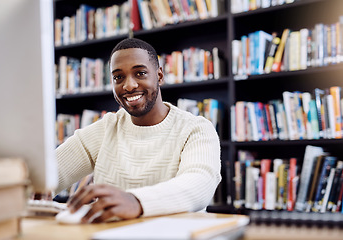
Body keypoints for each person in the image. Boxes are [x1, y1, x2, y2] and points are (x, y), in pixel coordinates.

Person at [55, 38, 222, 223]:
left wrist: (137, 202)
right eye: (118, 77)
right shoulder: (106, 128)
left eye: (140, 73)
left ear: (159, 76)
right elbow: (51, 172)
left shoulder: (196, 129)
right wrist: (35, 187)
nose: (129, 85)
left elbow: (199, 184)